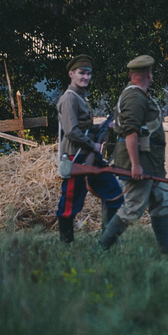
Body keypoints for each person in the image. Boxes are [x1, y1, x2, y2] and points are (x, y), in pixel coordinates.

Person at [99, 55, 168, 254]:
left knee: (162, 202)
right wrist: (135, 166)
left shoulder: (140, 96)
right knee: (133, 207)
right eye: (151, 73)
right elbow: (130, 133)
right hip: (139, 161)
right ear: (148, 74)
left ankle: (166, 252)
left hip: (151, 161)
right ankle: (101, 248)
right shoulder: (133, 97)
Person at [55, 54, 124, 243]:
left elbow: (83, 128)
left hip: (90, 156)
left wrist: (102, 127)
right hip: (74, 157)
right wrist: (93, 144)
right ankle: (66, 244)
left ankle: (109, 239)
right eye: (81, 73)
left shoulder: (81, 97)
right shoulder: (69, 99)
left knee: (114, 193)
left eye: (88, 74)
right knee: (69, 204)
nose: (85, 77)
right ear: (71, 74)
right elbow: (72, 131)